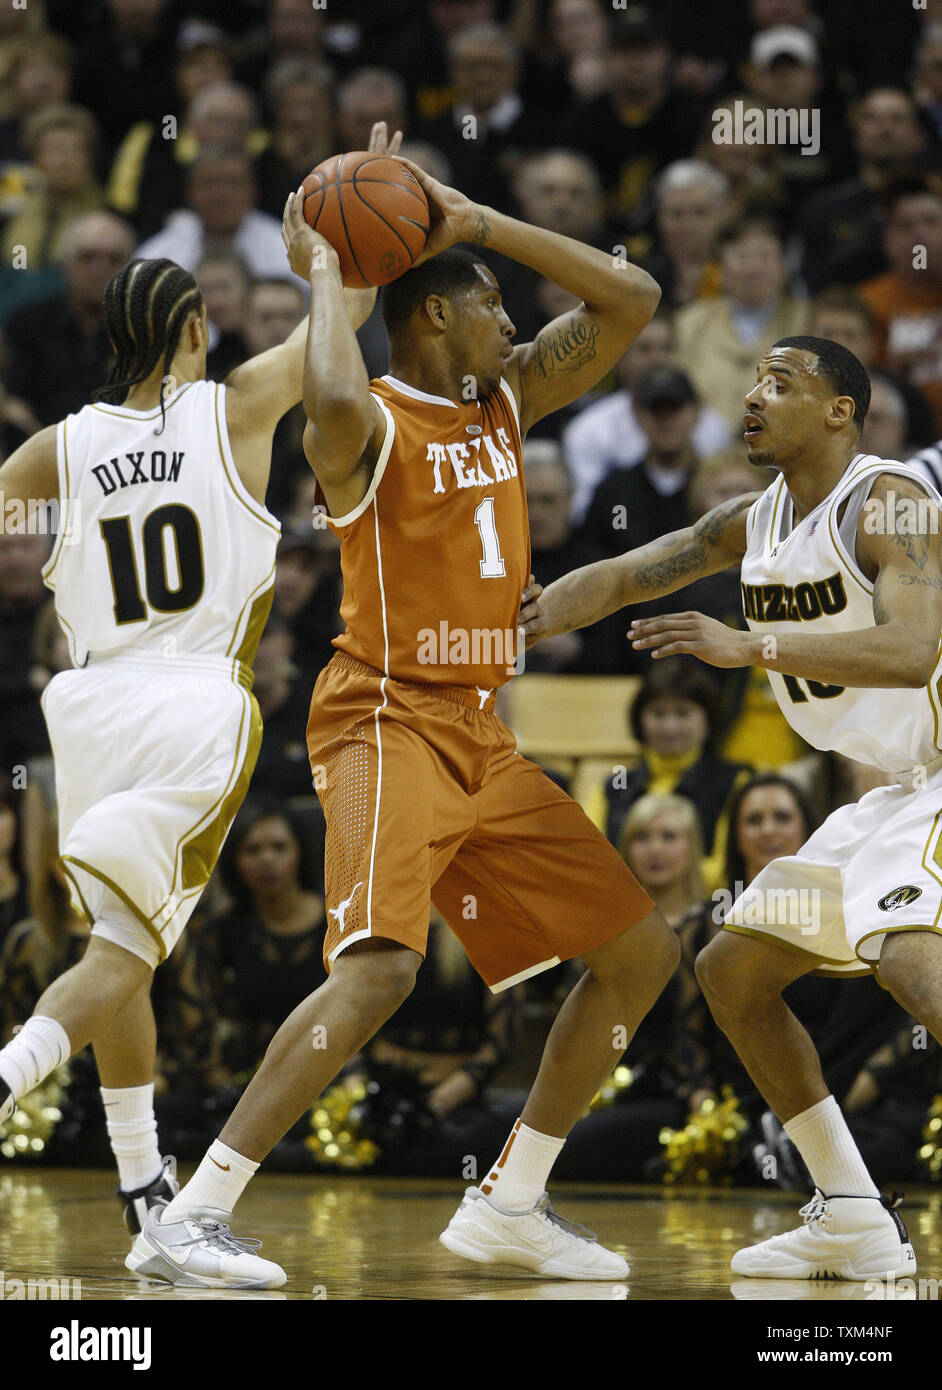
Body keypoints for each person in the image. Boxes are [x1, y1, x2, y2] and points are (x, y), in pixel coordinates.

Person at [134, 138, 674, 1288]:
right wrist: (328, 276)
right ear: (433, 321)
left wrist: (479, 224)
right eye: (490, 307)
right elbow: (327, 386)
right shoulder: (367, 422)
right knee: (379, 970)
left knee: (639, 951)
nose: (511, 322)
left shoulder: (506, 397)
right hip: (385, 717)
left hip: (478, 730)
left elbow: (633, 296)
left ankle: (512, 1199)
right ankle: (190, 1211)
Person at [0, 124, 387, 1274]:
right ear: (189, 330)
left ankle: (144, 1204)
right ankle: (13, 1072)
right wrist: (327, 243)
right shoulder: (233, 407)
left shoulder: (57, 449)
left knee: (121, 939)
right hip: (192, 706)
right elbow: (343, 333)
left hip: (87, 710)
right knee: (124, 955)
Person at [522, 332, 942, 1280]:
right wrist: (523, 619)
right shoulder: (749, 523)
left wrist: (751, 647)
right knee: (734, 970)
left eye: (780, 384)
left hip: (941, 777)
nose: (754, 395)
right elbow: (632, 573)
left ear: (841, 410)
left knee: (915, 966)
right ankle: (852, 1211)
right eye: (751, 379)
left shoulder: (897, 506)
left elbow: (914, 652)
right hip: (898, 794)